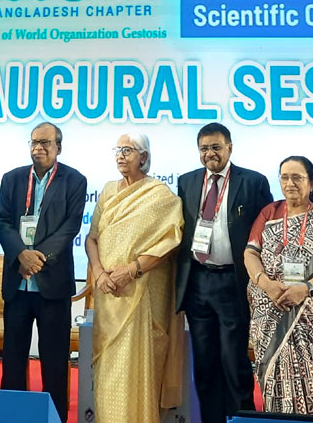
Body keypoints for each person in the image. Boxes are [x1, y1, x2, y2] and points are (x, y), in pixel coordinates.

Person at [174, 123, 272, 423]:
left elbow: (267, 232)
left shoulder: (253, 182)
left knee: (234, 363)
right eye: (204, 148)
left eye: (216, 147)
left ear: (229, 147)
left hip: (233, 282)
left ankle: (241, 419)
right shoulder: (187, 182)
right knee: (204, 366)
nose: (210, 154)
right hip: (198, 282)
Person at [86, 132, 184, 423]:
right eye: (118, 149)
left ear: (144, 156)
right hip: (109, 294)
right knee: (109, 368)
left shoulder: (160, 195)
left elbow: (170, 241)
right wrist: (99, 274)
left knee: (140, 365)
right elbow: (92, 238)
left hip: (143, 295)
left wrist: (132, 270)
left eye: (128, 150)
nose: (121, 155)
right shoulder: (107, 191)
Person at [0, 122, 88, 422]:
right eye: (34, 142)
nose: (38, 148)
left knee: (54, 362)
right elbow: (2, 221)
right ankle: (13, 416)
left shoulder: (75, 180)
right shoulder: (12, 179)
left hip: (52, 285)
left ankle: (54, 417)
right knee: (13, 360)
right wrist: (20, 254)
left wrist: (39, 258)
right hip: (18, 284)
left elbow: (70, 227)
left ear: (58, 147)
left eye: (45, 142)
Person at [244, 155, 313, 416]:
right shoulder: (269, 213)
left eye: (297, 178)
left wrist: (306, 289)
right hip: (271, 310)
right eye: (285, 177)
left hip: (311, 315)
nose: (290, 183)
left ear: (312, 182)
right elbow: (250, 253)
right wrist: (266, 284)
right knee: (273, 384)